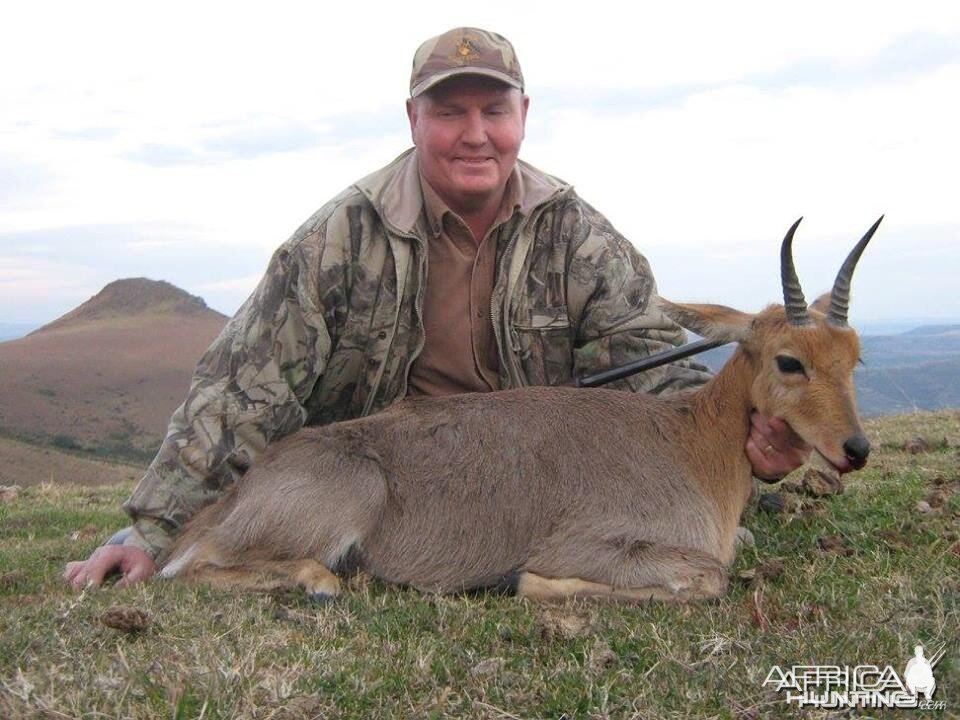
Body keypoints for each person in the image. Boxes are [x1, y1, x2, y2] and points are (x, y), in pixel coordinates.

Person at [64, 27, 808, 590]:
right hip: (399, 472)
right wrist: (152, 529)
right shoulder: (341, 236)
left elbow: (653, 391)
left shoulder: (577, 235)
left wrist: (750, 450)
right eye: (450, 111)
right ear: (413, 119)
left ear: (524, 115)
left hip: (532, 478)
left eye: (494, 109)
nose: (475, 133)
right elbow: (242, 388)